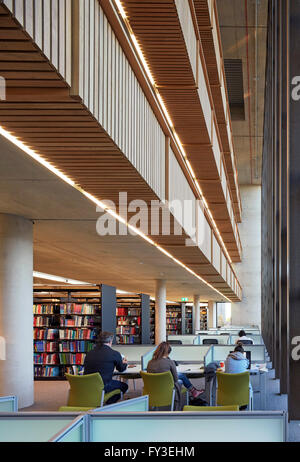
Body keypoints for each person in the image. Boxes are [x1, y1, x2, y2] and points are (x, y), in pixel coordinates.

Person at [83, 331, 128, 404]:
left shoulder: (90, 353)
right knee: (124, 386)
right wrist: (125, 363)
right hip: (103, 385)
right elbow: (121, 369)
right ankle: (108, 404)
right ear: (110, 341)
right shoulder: (114, 353)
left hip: (87, 384)